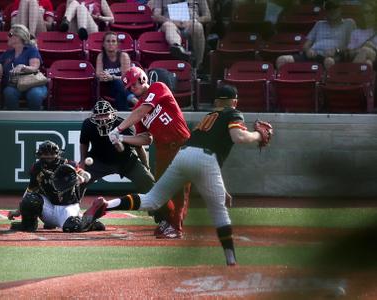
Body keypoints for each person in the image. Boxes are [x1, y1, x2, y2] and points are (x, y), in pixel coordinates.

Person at [82, 85, 274, 266]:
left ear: (216, 102)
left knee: (152, 198)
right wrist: (258, 135)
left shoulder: (209, 117)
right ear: (234, 102)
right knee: (219, 211)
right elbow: (238, 138)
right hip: (203, 158)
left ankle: (107, 204)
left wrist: (221, 188)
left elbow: (202, 148)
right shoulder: (233, 113)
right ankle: (231, 260)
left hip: (184, 154)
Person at [108, 66, 191, 239]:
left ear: (142, 78)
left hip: (180, 144)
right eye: (129, 87)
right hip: (162, 149)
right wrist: (122, 139)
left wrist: (119, 129)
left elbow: (143, 110)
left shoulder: (158, 87)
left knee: (179, 189)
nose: (132, 88)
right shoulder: (138, 107)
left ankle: (176, 227)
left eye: (133, 84)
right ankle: (169, 221)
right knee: (160, 190)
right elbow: (145, 139)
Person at [8, 140, 105, 232]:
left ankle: (89, 222)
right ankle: (28, 224)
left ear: (57, 154)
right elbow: (30, 190)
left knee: (72, 226)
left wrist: (82, 177)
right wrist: (18, 210)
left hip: (67, 206)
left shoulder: (68, 164)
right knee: (31, 198)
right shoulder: (37, 168)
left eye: (51, 154)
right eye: (46, 154)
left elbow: (84, 174)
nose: (49, 157)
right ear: (40, 155)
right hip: (48, 207)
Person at [79, 100, 155, 194]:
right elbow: (84, 143)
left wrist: (146, 165)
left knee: (148, 181)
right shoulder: (88, 124)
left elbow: (138, 147)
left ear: (112, 114)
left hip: (126, 161)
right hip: (98, 160)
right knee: (76, 181)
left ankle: (159, 208)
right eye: (99, 115)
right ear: (94, 116)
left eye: (105, 114)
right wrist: (82, 161)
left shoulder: (124, 125)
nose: (102, 119)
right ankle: (70, 207)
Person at [276, 0, 356, 70]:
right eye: (329, 8)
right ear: (325, 11)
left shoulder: (348, 23)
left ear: (340, 9)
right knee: (281, 60)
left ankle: (327, 86)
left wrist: (336, 50)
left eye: (335, 7)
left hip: (333, 56)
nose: (332, 10)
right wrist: (308, 50)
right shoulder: (319, 24)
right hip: (314, 54)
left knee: (329, 61)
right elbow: (306, 45)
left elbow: (352, 46)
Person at [0, 24, 47, 110]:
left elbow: (34, 67)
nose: (7, 37)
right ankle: (13, 120)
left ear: (18, 37)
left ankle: (34, 120)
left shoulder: (31, 49)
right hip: (14, 86)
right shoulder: (8, 53)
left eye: (10, 35)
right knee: (9, 92)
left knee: (35, 94)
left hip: (32, 85)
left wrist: (22, 67)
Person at [152, 0, 211, 68]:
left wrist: (193, 21)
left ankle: (197, 66)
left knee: (198, 27)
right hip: (171, 23)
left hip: (191, 24)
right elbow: (156, 16)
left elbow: (207, 16)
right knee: (168, 25)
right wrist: (172, 21)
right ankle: (178, 49)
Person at [96, 32, 133, 111]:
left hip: (124, 86)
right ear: (103, 44)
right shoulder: (101, 56)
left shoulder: (123, 56)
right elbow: (98, 74)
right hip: (108, 87)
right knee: (117, 84)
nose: (110, 43)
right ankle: (133, 101)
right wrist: (104, 76)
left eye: (113, 41)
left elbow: (126, 78)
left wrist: (112, 77)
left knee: (118, 86)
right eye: (108, 41)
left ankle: (123, 115)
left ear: (117, 44)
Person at [342, 1, 376, 66]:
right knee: (367, 63)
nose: (369, 14)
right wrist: (362, 48)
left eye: (372, 12)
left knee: (365, 50)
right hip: (362, 58)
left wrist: (372, 47)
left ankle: (351, 74)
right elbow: (350, 53)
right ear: (362, 14)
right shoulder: (356, 33)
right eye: (366, 12)